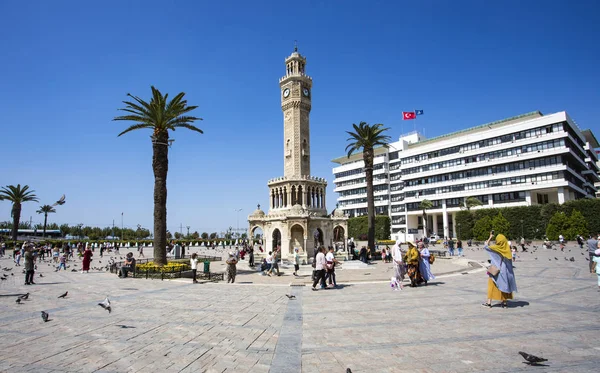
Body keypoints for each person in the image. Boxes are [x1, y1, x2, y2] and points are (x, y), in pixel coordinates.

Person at [482, 232, 517, 308]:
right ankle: (504, 303)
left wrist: (490, 237)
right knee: (504, 286)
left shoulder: (495, 248)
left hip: (495, 271)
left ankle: (489, 303)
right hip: (504, 272)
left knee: (491, 286)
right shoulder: (507, 250)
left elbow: (485, 246)